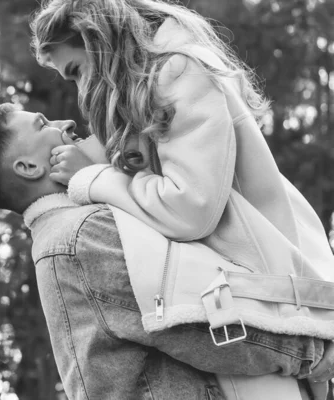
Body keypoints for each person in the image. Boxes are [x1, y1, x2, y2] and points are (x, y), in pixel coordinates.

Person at [0, 104, 334, 399]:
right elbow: (200, 323)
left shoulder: (75, 233)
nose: (66, 124)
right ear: (27, 166)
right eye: (43, 125)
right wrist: (315, 353)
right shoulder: (81, 237)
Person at [30, 0, 334, 363]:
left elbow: (189, 208)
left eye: (76, 70)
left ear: (96, 38)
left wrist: (91, 177)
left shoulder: (178, 71)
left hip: (276, 295)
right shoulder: (156, 84)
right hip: (260, 297)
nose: (81, 90)